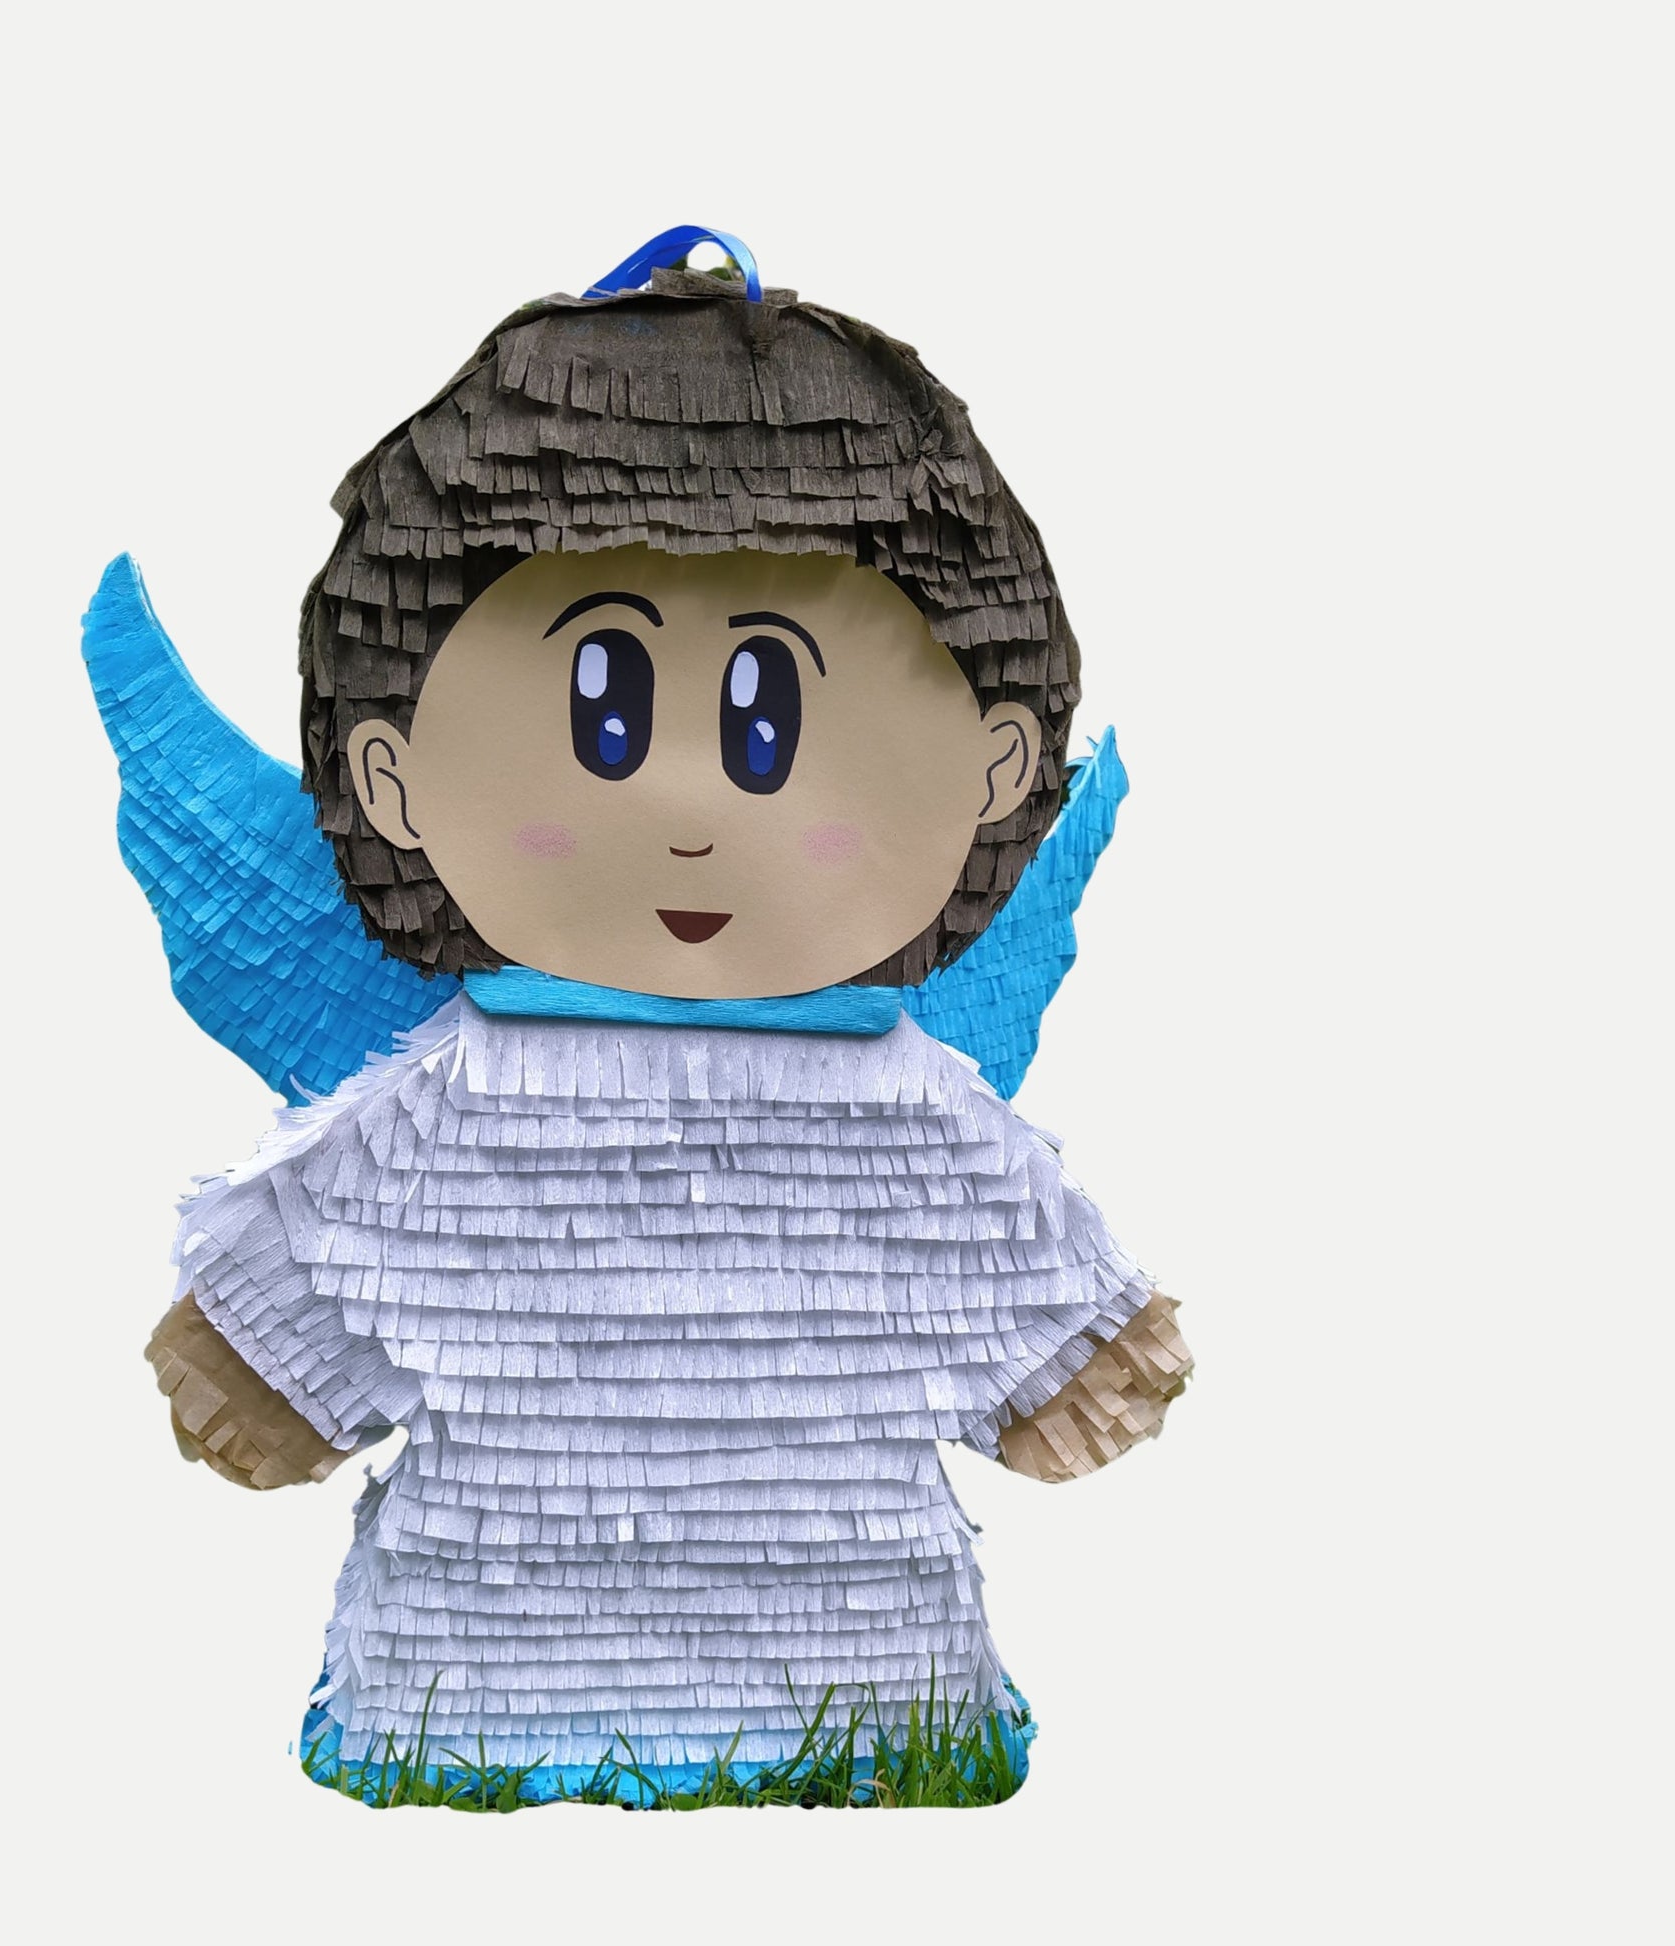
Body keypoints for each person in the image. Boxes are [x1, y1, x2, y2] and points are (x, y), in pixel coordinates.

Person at [144, 260, 1192, 1806]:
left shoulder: (913, 1118)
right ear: (389, 775)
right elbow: (262, 1371)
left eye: (768, 721)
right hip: (495, 1677)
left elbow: (1071, 1371)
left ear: (992, 764)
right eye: (605, 715)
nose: (691, 808)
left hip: (847, 1676)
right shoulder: (447, 1107)